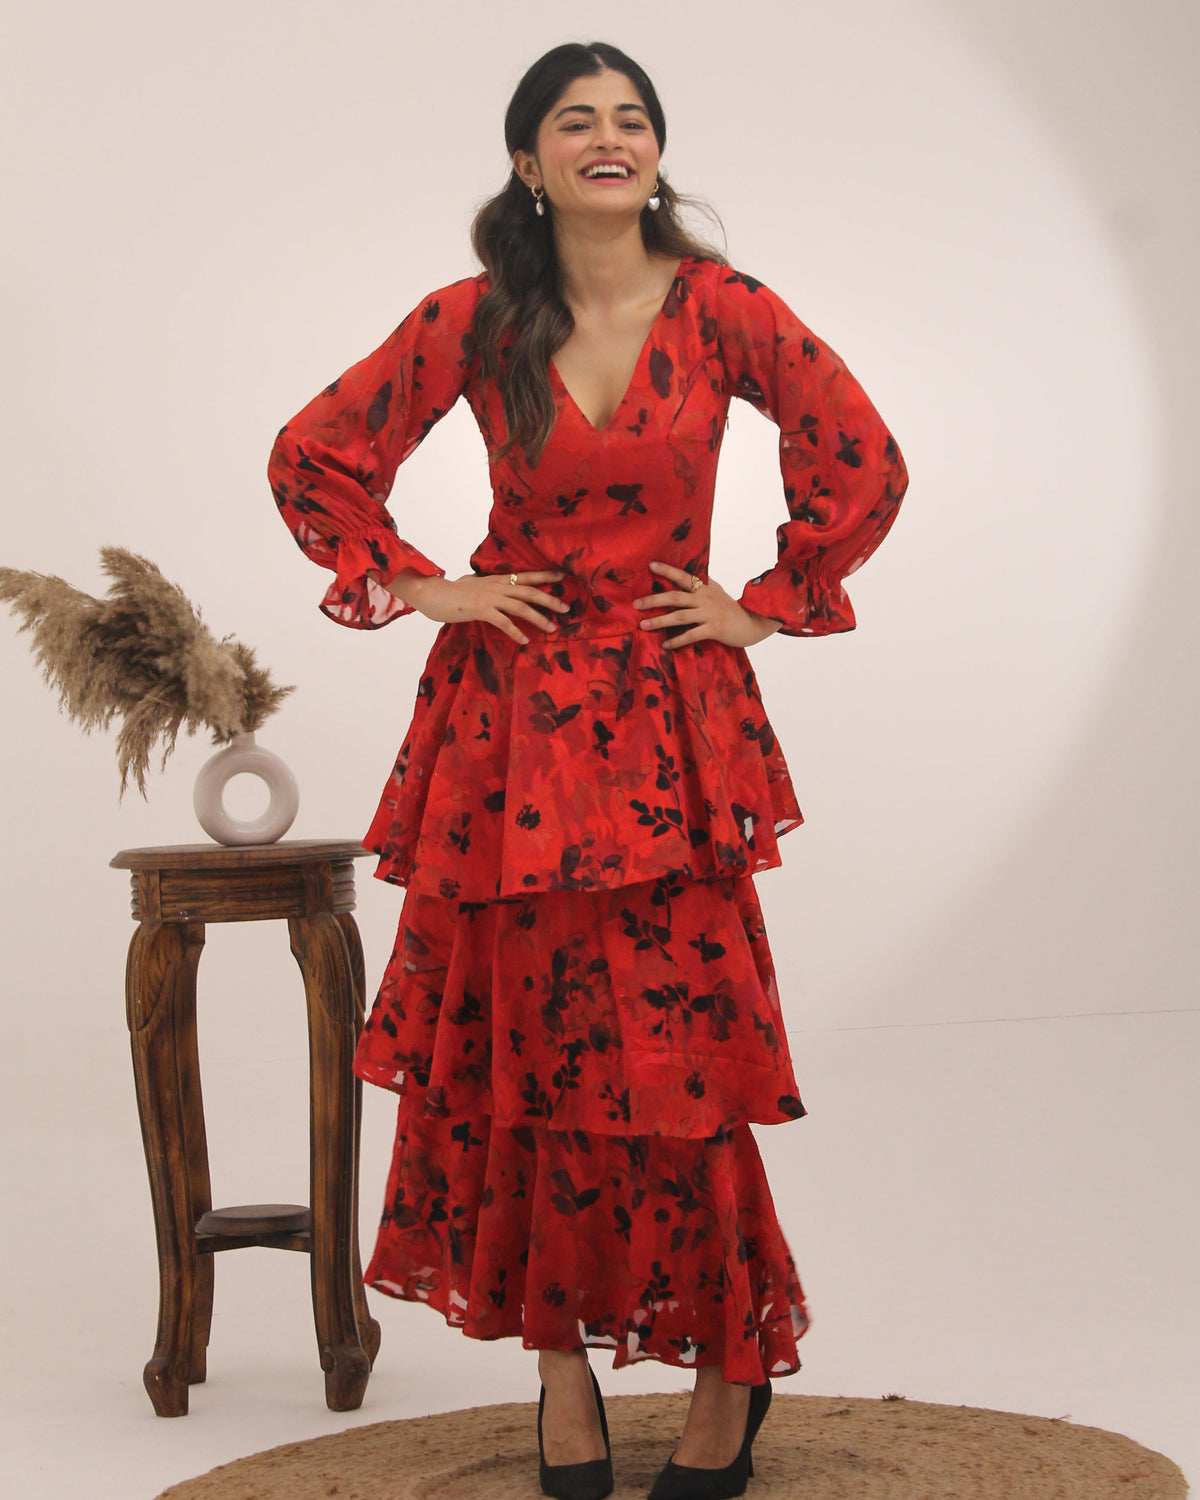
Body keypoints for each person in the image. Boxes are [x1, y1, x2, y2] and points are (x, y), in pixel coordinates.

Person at [267, 39, 908, 1500]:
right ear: (528, 160)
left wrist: (766, 600)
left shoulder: (728, 309)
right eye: (576, 121)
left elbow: (860, 458)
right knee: (534, 1055)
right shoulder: (476, 316)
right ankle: (561, 1367)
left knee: (678, 1067)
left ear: (657, 154)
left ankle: (727, 1364)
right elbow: (315, 456)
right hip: (512, 737)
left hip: (673, 734)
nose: (607, 139)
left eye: (632, 119)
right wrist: (428, 587)